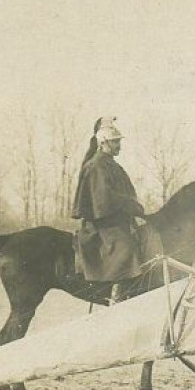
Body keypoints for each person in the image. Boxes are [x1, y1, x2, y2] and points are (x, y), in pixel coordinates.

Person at [71, 117, 146, 290]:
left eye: (119, 141)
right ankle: (117, 293)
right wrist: (130, 206)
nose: (119, 145)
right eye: (115, 142)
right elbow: (104, 200)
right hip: (102, 224)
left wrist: (137, 209)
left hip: (116, 220)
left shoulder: (113, 165)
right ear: (103, 142)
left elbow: (128, 193)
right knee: (125, 247)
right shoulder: (96, 165)